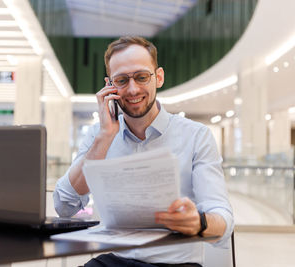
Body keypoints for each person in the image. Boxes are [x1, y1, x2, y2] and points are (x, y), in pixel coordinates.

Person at [53, 36, 233, 267]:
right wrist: (104, 138)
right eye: (121, 80)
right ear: (110, 85)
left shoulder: (196, 136)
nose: (132, 89)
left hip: (173, 264)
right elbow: (64, 206)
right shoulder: (99, 134)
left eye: (141, 77)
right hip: (113, 260)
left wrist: (199, 222)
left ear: (158, 77)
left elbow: (223, 218)